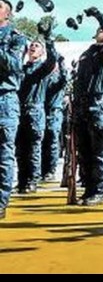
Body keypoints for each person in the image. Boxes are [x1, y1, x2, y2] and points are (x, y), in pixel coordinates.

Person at [71, 7, 103, 205]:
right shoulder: (87, 52)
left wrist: (100, 16)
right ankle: (88, 189)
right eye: (99, 28)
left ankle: (99, 191)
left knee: (99, 151)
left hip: (99, 104)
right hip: (82, 105)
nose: (101, 30)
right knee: (84, 151)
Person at [16, 31, 58, 194]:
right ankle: (22, 181)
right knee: (20, 150)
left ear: (42, 52)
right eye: (31, 45)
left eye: (37, 46)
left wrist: (48, 41)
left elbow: (52, 60)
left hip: (35, 111)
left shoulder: (42, 69)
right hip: (19, 111)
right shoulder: (21, 69)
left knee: (34, 149)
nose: (33, 47)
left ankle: (32, 181)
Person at [0, 0, 27, 219]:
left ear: (7, 14)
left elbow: (14, 64)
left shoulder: (16, 37)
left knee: (3, 155)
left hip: (4, 100)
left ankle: (0, 202)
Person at [41, 51, 68, 182]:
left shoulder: (59, 77)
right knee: (42, 142)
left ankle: (50, 170)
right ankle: (42, 170)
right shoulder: (43, 76)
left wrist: (62, 63)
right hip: (42, 110)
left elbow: (65, 79)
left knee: (52, 140)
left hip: (54, 111)